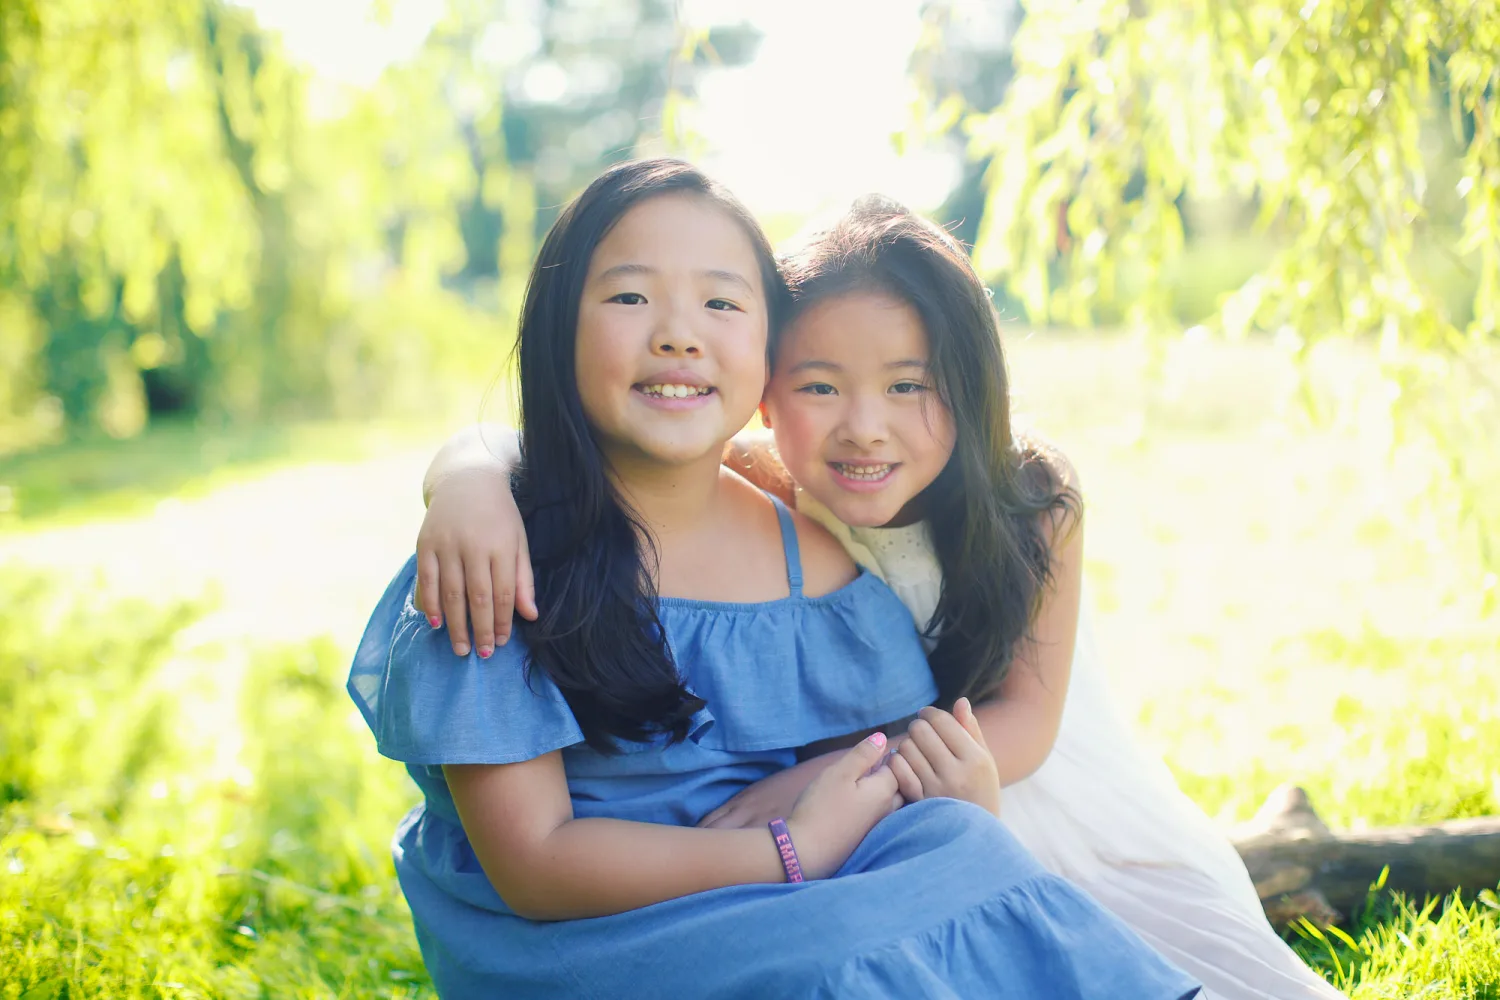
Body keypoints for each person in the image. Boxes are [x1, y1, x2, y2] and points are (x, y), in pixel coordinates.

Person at [414, 192, 1342, 999]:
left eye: (911, 386)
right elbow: (564, 454)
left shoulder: (1032, 503)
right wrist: (464, 475)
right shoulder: (762, 483)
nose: (865, 428)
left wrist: (824, 787)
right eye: (818, 385)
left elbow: (1030, 720)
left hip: (1003, 769)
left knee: (1160, 953)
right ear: (767, 395)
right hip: (871, 792)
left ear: (973, 387)